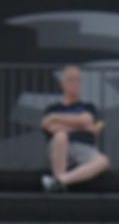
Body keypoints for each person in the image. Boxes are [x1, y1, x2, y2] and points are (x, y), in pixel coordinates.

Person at [40, 65, 110, 193]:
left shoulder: (88, 106)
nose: (76, 83)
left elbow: (87, 120)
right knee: (61, 136)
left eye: (78, 80)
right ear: (62, 84)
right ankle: (59, 184)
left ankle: (59, 181)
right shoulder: (52, 108)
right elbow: (48, 126)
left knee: (103, 161)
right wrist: (81, 126)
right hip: (60, 147)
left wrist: (56, 117)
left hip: (84, 147)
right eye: (71, 79)